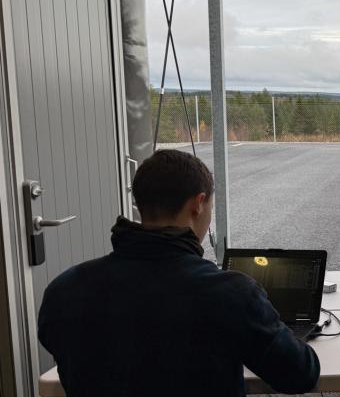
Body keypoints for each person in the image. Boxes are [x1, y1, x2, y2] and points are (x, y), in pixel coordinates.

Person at [38, 150, 319, 396]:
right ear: (198, 204)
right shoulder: (232, 294)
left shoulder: (64, 290)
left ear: (140, 203)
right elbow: (300, 374)